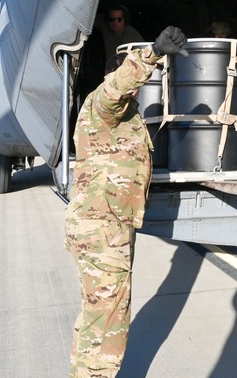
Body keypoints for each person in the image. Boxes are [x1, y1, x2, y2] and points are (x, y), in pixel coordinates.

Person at [65, 25, 188, 378]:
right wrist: (152, 52)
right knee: (106, 321)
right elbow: (114, 90)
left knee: (100, 315)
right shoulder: (101, 106)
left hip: (109, 226)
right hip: (102, 228)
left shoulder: (128, 118)